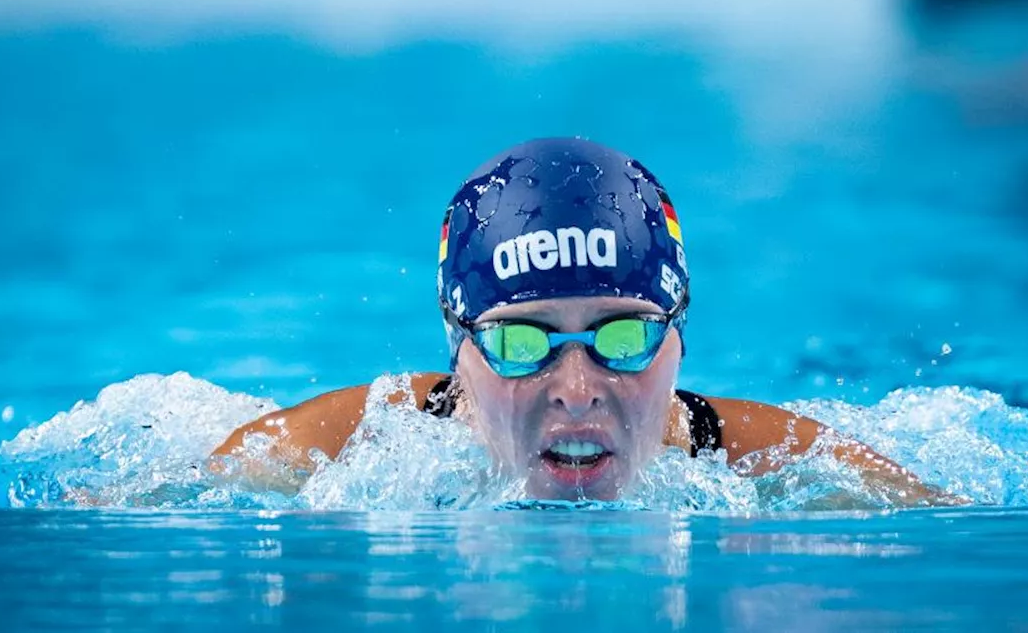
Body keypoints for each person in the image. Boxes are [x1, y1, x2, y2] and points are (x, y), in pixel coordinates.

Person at [213, 138, 956, 505]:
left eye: (623, 337)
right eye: (521, 342)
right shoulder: (336, 450)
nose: (575, 387)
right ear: (458, 346)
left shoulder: (785, 465)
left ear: (678, 335)